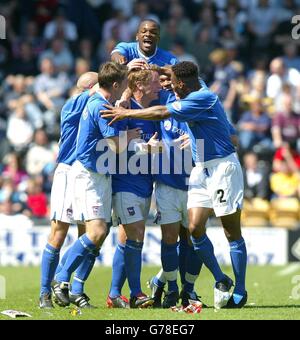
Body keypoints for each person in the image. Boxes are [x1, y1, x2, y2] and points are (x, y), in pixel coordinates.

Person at [102, 61, 248, 309]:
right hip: (201, 170)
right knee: (194, 228)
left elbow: (161, 113)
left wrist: (126, 113)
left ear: (181, 84)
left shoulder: (202, 98)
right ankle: (220, 278)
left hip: (223, 167)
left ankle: (241, 290)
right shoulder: (193, 83)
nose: (168, 87)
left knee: (231, 232)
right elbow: (177, 75)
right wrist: (157, 68)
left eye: (172, 83)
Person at [51, 62, 139, 308]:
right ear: (114, 84)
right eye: (122, 85)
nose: (124, 89)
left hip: (97, 173)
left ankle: (74, 287)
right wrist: (130, 136)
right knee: (97, 232)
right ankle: (61, 277)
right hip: (90, 174)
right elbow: (115, 146)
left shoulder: (101, 103)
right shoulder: (99, 106)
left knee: (99, 233)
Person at [39, 72, 99, 309]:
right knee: (59, 232)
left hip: (89, 174)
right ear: (91, 87)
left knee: (90, 234)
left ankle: (73, 289)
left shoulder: (96, 103)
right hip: (68, 171)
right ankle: (44, 292)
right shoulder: (73, 103)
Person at [107, 66, 161, 309]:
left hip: (144, 184)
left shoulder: (152, 111)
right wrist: (143, 148)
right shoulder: (123, 109)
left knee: (128, 237)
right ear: (140, 86)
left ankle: (114, 294)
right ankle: (137, 292)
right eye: (155, 82)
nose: (160, 86)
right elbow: (112, 145)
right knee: (137, 234)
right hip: (125, 182)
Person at [111, 19, 178, 67]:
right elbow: (116, 54)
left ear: (158, 39)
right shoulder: (127, 48)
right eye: (143, 31)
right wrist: (124, 64)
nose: (148, 34)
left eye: (153, 32)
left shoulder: (170, 59)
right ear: (137, 36)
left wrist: (161, 70)